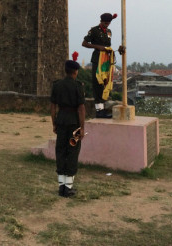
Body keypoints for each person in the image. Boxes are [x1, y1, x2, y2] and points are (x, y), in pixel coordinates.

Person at [50, 52, 85, 198]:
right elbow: (81, 108)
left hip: (61, 121)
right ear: (75, 72)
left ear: (66, 71)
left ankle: (61, 186)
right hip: (73, 123)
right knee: (72, 152)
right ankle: (68, 187)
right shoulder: (78, 86)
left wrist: (54, 123)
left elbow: (53, 107)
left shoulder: (57, 85)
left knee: (60, 151)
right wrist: (82, 127)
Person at [82, 12, 125, 118]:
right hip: (97, 60)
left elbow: (108, 46)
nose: (107, 25)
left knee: (105, 83)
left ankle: (104, 109)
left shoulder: (109, 32)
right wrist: (98, 47)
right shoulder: (94, 30)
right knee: (97, 84)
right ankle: (99, 111)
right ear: (101, 21)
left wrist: (118, 50)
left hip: (107, 61)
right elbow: (84, 43)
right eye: (105, 23)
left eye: (108, 23)